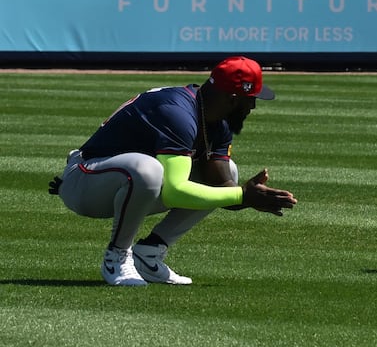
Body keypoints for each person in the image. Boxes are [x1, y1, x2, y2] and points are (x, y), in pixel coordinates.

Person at [48, 56, 298, 286]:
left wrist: (250, 197)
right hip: (84, 181)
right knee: (148, 170)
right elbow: (175, 191)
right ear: (233, 98)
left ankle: (149, 253)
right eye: (250, 98)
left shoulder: (217, 122)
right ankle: (117, 258)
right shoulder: (177, 112)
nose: (253, 106)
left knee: (229, 171)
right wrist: (243, 195)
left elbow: (221, 187)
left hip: (122, 184)